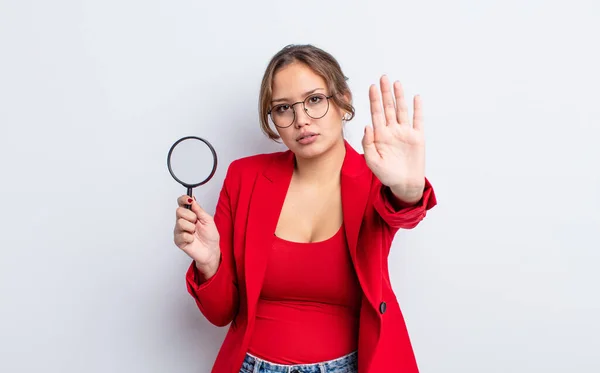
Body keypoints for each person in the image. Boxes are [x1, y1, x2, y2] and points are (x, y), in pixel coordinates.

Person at [173, 44, 437, 373]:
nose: (301, 120)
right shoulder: (245, 177)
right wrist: (210, 261)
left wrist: (410, 189)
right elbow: (221, 313)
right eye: (283, 108)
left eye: (314, 100)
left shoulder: (377, 178)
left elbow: (405, 210)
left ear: (343, 100)